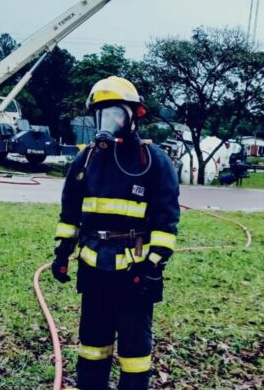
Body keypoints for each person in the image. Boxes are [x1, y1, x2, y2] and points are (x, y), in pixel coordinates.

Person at [50, 76, 180, 390]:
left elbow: (166, 221)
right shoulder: (87, 160)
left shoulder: (153, 162)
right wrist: (61, 254)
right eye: (102, 113)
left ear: (133, 116)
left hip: (135, 268)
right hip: (94, 267)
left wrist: (153, 264)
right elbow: (70, 213)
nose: (108, 121)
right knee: (92, 342)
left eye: (116, 113)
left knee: (135, 346)